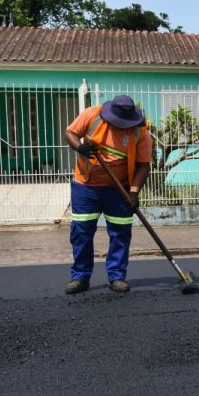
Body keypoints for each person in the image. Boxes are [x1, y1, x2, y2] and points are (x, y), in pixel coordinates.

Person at [63, 95, 152, 293]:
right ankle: (80, 277)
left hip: (119, 189)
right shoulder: (92, 115)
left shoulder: (141, 132)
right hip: (85, 187)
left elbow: (143, 166)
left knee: (121, 233)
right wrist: (81, 147)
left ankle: (117, 276)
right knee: (81, 232)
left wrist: (134, 192)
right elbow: (70, 132)